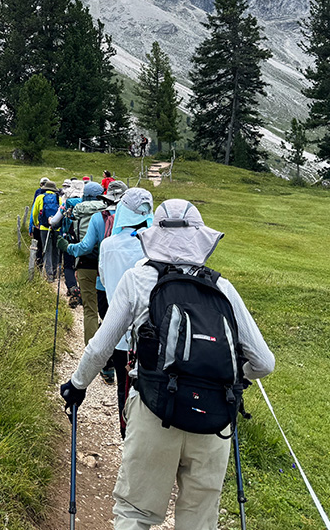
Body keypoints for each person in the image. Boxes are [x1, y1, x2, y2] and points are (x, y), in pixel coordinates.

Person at [59, 199, 275, 530]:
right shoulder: (222, 288)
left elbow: (100, 347)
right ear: (201, 238)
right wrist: (236, 382)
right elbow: (263, 362)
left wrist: (77, 386)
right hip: (213, 420)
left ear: (154, 233)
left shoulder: (138, 280)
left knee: (135, 513)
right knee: (198, 521)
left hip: (155, 410)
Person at [97, 186, 154, 437]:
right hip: (154, 332)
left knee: (125, 383)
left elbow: (104, 279)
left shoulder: (108, 246)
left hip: (119, 330)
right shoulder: (156, 246)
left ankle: (127, 433)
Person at [58, 179, 128, 383]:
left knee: (90, 310)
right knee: (118, 313)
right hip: (121, 271)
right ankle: (119, 358)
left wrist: (67, 248)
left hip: (90, 268)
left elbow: (86, 246)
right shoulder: (135, 219)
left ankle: (96, 357)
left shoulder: (97, 217)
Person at [50, 178, 84, 305]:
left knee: (68, 266)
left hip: (69, 239)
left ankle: (73, 288)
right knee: (82, 266)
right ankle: (83, 290)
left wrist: (50, 221)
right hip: (86, 240)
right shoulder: (90, 203)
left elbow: (55, 221)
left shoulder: (67, 203)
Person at [30, 177, 60, 277]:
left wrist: (36, 223)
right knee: (55, 250)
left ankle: (49, 274)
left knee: (46, 249)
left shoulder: (40, 197)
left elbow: (34, 213)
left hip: (43, 227)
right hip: (56, 227)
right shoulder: (58, 198)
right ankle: (55, 272)